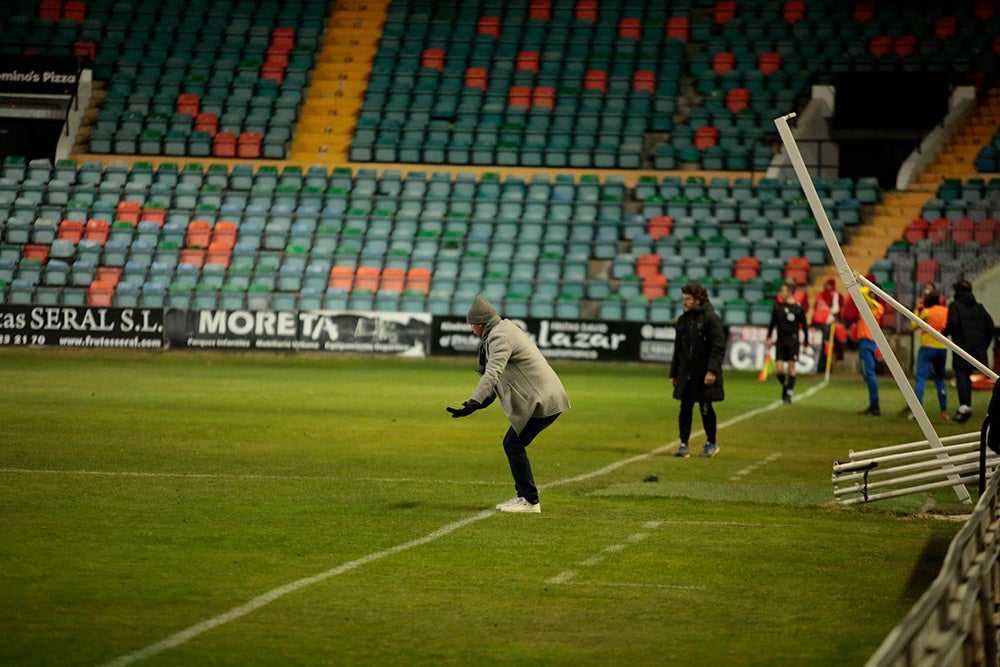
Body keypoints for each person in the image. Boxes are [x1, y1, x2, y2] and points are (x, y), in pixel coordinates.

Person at [446, 295, 570, 513]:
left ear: (481, 323)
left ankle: (530, 500)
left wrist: (475, 401)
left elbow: (493, 371)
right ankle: (525, 496)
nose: (471, 329)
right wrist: (482, 403)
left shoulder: (499, 337)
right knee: (513, 444)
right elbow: (500, 375)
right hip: (548, 396)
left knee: (513, 445)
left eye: (472, 325)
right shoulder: (503, 330)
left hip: (543, 400)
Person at [670, 282, 725, 458]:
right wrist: (673, 373)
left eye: (688, 299)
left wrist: (712, 371)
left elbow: (718, 347)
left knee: (705, 407)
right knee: (685, 407)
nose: (684, 302)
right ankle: (683, 444)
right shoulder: (683, 320)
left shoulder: (711, 319)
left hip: (704, 373)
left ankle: (711, 442)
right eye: (684, 299)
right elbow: (678, 349)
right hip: (686, 373)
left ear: (698, 300)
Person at [942, 280, 995, 423]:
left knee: (961, 377)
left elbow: (953, 323)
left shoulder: (955, 306)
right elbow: (990, 327)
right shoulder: (979, 307)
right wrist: (984, 344)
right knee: (968, 377)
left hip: (961, 348)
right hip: (978, 349)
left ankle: (964, 406)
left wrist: (943, 334)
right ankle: (967, 405)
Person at [910, 285, 949, 420]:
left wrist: (917, 309)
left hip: (927, 347)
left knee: (921, 378)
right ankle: (944, 411)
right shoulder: (946, 311)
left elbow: (914, 325)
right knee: (940, 379)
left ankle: (917, 411)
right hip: (942, 348)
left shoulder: (927, 312)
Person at [767, 282, 807, 404]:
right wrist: (769, 336)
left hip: (793, 341)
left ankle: (788, 394)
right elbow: (772, 323)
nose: (780, 293)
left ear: (789, 292)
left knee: (791, 368)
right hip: (780, 341)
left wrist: (806, 344)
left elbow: (804, 326)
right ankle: (786, 385)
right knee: (779, 370)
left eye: (782, 291)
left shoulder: (798, 309)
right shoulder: (778, 307)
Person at [856, 286, 885, 416]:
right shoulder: (868, 306)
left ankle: (875, 407)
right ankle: (873, 406)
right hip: (865, 340)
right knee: (867, 374)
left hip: (867, 341)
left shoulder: (877, 307)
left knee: (869, 373)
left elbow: (861, 292)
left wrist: (866, 288)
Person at [812, 278, 843, 368]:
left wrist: (830, 319)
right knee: (818, 344)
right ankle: (818, 364)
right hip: (818, 324)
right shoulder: (820, 295)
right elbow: (815, 308)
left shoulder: (836, 295)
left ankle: (826, 364)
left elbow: (836, 310)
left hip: (827, 324)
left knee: (827, 344)